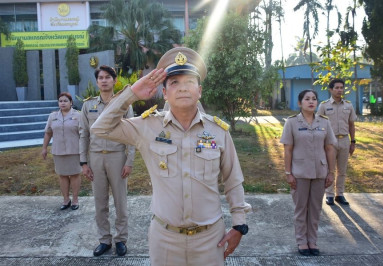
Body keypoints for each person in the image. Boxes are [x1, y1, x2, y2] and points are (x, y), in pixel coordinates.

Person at [91, 47, 251, 266]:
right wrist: (132, 94)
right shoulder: (148, 127)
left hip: (210, 239)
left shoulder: (218, 131)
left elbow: (233, 180)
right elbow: (101, 129)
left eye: (189, 82)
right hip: (165, 239)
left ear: (200, 90)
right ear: (164, 93)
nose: (183, 88)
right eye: (174, 82)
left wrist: (239, 225)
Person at [79, 65, 135, 257]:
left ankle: (121, 240)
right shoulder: (88, 105)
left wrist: (129, 161)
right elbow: (83, 135)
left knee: (120, 201)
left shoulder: (123, 105)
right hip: (95, 158)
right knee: (100, 202)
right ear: (97, 82)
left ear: (114, 81)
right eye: (100, 78)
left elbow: (132, 134)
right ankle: (104, 240)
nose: (104, 80)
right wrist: (83, 163)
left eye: (107, 77)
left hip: (117, 157)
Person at [280, 89, 336, 256]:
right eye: (307, 99)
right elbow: (288, 150)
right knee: (301, 208)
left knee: (315, 209)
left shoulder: (325, 122)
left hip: (320, 171)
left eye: (314, 99)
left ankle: (312, 241)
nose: (311, 102)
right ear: (299, 103)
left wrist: (331, 172)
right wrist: (288, 172)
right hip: (299, 172)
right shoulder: (291, 122)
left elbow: (329, 148)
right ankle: (301, 241)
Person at [317, 78, 357, 206]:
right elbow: (318, 124)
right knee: (330, 169)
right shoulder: (324, 105)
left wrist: (353, 142)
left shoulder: (348, 105)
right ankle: (329, 195)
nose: (340, 90)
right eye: (337, 88)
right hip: (330, 141)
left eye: (341, 87)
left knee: (342, 170)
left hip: (345, 140)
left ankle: (340, 195)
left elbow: (351, 125)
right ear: (331, 89)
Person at [42, 92, 81, 210]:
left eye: (65, 101)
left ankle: (75, 200)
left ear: (71, 103)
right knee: (62, 176)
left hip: (74, 150)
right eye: (60, 101)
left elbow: (84, 134)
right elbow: (48, 133)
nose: (62, 103)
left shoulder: (78, 116)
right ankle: (65, 199)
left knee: (75, 175)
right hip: (58, 151)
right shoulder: (53, 116)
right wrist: (44, 148)